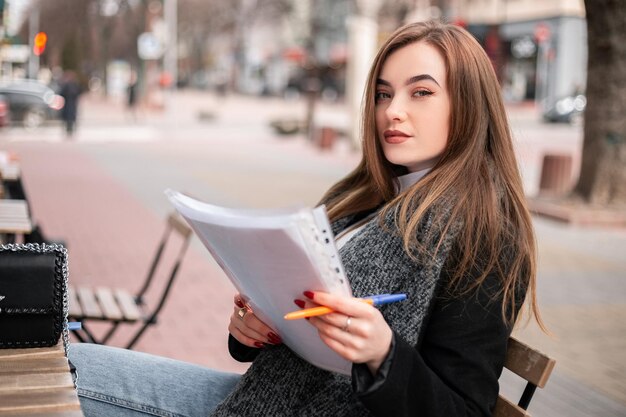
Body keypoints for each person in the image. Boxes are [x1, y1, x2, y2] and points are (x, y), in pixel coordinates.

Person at [68, 20, 545, 417]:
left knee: (67, 375)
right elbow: (297, 321)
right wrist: (252, 328)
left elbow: (464, 409)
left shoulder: (486, 237)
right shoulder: (364, 196)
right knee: (67, 364)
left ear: (469, 104)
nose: (392, 111)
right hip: (262, 401)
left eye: (420, 93)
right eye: (382, 94)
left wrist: (384, 354)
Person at [59, 70, 82, 137]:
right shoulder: (71, 85)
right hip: (69, 104)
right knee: (69, 117)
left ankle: (70, 129)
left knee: (70, 117)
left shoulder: (72, 85)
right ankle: (69, 129)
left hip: (70, 104)